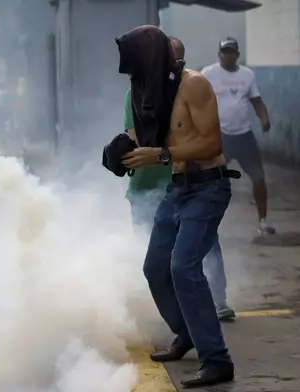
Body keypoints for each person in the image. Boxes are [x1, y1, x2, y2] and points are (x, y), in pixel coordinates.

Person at [117, 26, 235, 388]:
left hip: (208, 187)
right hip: (177, 188)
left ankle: (217, 360)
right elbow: (147, 140)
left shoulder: (194, 84)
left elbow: (212, 143)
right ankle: (185, 332)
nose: (131, 71)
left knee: (184, 267)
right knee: (155, 267)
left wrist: (163, 154)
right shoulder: (154, 90)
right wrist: (119, 152)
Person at [201, 38, 274, 235]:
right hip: (220, 136)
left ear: (237, 55)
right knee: (209, 179)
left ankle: (263, 222)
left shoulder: (247, 75)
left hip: (244, 136)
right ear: (219, 55)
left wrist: (264, 119)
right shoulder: (208, 74)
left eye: (231, 52)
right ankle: (206, 221)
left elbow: (256, 101)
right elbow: (196, 98)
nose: (228, 55)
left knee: (259, 178)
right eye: (224, 52)